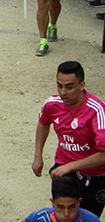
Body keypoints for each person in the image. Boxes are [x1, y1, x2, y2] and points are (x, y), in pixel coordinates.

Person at [33, 61, 105, 217]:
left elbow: (103, 154)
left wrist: (70, 166)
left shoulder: (97, 111)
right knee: (64, 214)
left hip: (96, 176)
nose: (63, 92)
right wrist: (38, 155)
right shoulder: (52, 104)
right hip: (64, 170)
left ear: (82, 85)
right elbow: (43, 124)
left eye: (69, 87)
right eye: (59, 86)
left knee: (88, 217)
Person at [25, 174, 100, 222]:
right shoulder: (39, 218)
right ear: (53, 202)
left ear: (79, 202)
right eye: (60, 207)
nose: (66, 214)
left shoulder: (92, 220)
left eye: (72, 207)